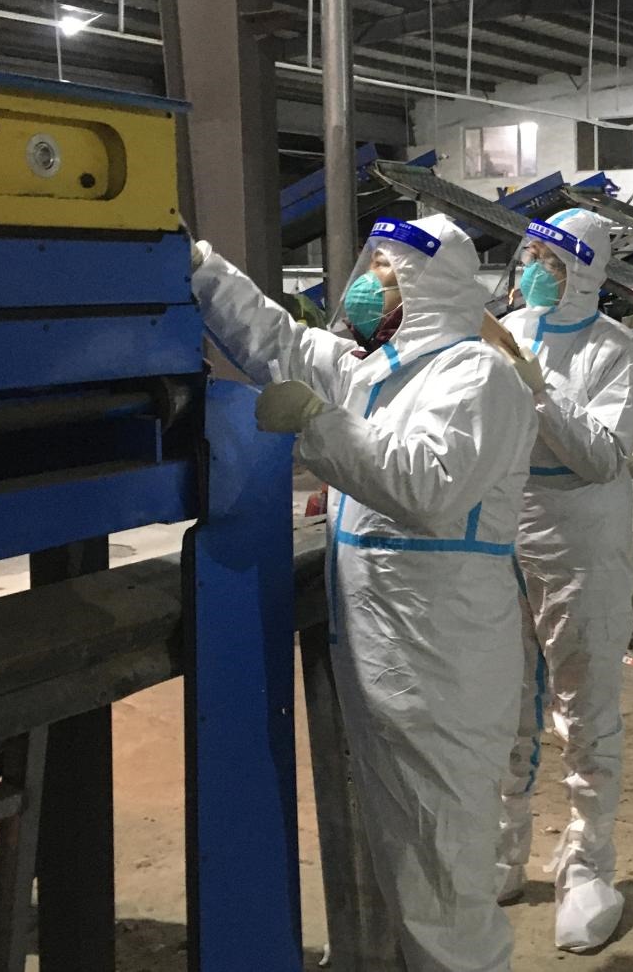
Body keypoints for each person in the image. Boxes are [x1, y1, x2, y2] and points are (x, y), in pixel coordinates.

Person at [191, 215, 537, 972]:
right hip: (391, 661)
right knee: (409, 868)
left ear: (426, 283)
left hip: (441, 670)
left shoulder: (477, 376)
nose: (367, 278)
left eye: (385, 265)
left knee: (444, 878)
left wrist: (318, 424)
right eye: (372, 260)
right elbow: (277, 339)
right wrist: (198, 263)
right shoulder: (371, 370)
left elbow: (427, 486)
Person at [495, 208, 633, 952]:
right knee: (504, 703)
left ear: (585, 272)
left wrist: (534, 389)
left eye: (552, 262)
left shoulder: (618, 352)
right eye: (531, 257)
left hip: (580, 548)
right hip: (500, 534)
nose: (535, 272)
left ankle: (587, 864)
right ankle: (503, 848)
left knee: (583, 709)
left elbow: (599, 456)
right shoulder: (508, 328)